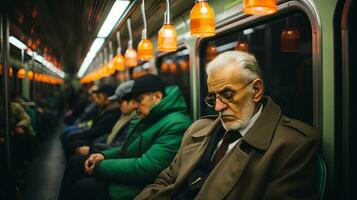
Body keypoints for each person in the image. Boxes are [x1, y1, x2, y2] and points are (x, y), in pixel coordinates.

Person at [134, 51, 321, 200]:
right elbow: (165, 180)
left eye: (228, 94)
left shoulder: (292, 146)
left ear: (255, 90)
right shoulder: (197, 129)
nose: (218, 107)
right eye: (214, 96)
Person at [59, 74, 192, 200]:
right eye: (133, 101)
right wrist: (103, 156)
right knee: (76, 163)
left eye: (138, 100)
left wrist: (100, 167)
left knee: (82, 188)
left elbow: (147, 169)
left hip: (146, 186)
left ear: (157, 97)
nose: (134, 106)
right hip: (134, 177)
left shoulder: (176, 124)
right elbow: (127, 150)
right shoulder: (150, 116)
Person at [74, 80, 137, 155]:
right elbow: (110, 136)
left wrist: (92, 149)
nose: (118, 104)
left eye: (120, 101)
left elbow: (120, 146)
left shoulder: (130, 117)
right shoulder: (123, 115)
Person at [62, 85, 120, 158]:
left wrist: (81, 134)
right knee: (69, 134)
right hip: (91, 131)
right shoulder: (103, 109)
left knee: (71, 137)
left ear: (108, 100)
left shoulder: (111, 114)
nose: (96, 99)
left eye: (99, 97)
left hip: (96, 138)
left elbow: (96, 131)